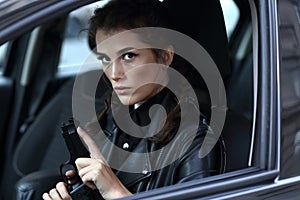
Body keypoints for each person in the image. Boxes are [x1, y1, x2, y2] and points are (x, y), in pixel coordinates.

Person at [42, 0, 226, 199]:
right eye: (105, 59)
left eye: (128, 56)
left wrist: (115, 190)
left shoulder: (195, 141)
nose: (113, 73)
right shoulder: (107, 123)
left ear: (165, 57)